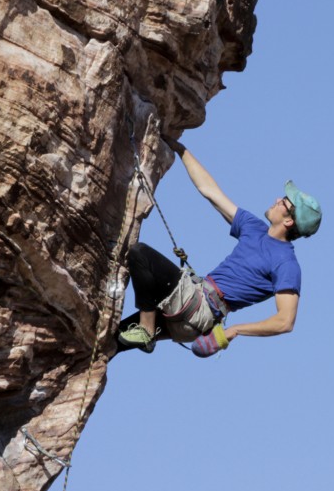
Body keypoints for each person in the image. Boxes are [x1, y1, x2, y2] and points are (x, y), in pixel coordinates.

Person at [116, 139, 322, 357]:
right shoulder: (254, 228)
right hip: (193, 299)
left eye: (285, 203)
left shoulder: (286, 263)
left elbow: (285, 321)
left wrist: (233, 331)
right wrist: (181, 149)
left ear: (289, 221)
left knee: (140, 254)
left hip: (200, 309)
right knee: (112, 338)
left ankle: (147, 331)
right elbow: (210, 191)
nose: (278, 199)